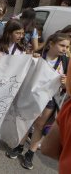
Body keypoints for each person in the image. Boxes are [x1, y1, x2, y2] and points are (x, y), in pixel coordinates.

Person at [6, 32, 70, 170]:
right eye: (62, 45)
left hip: (49, 100)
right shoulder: (38, 55)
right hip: (30, 95)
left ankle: (30, 153)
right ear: (51, 43)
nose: (65, 49)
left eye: (67, 46)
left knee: (39, 126)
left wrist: (65, 83)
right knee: (26, 120)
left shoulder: (65, 62)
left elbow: (67, 87)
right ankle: (19, 147)